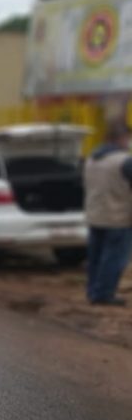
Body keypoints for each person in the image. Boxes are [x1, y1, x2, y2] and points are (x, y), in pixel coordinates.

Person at [83, 115, 132, 306]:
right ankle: (104, 294)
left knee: (95, 258)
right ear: (120, 138)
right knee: (114, 259)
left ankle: (93, 292)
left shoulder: (91, 159)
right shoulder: (124, 161)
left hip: (95, 216)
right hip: (118, 218)